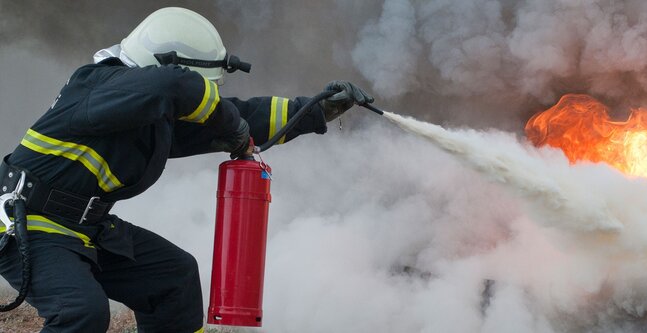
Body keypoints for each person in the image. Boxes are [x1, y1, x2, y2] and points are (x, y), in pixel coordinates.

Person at [0, 7, 373, 333]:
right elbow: (179, 87)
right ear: (168, 65)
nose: (202, 98)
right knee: (80, 313)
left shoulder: (145, 110)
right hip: (27, 223)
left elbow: (233, 114)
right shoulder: (98, 86)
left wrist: (314, 111)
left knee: (173, 278)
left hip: (82, 225)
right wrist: (232, 129)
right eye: (200, 85)